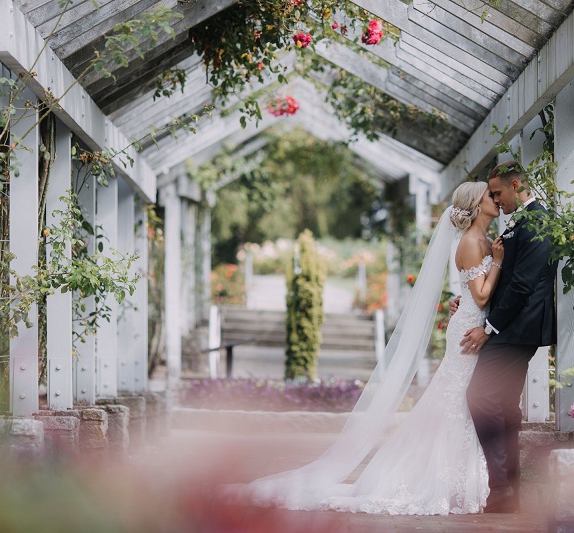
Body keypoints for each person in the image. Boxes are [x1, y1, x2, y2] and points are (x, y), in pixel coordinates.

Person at [236, 181, 504, 515]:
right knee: (454, 401)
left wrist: (478, 284)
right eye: (489, 196)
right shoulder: (472, 242)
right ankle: (437, 479)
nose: (496, 199)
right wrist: (497, 262)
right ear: (477, 205)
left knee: (457, 402)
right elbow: (480, 295)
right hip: (468, 330)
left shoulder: (482, 240)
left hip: (469, 321)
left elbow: (475, 294)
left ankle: (456, 478)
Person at [451, 160, 557, 513]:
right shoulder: (521, 221)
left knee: (479, 397)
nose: (495, 200)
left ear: (514, 185)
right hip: (510, 326)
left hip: (517, 329)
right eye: (490, 195)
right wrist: (466, 303)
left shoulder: (538, 219)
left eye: (497, 192)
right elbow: (504, 277)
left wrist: (488, 327)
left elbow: (524, 284)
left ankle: (502, 490)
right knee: (506, 407)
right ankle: (509, 491)